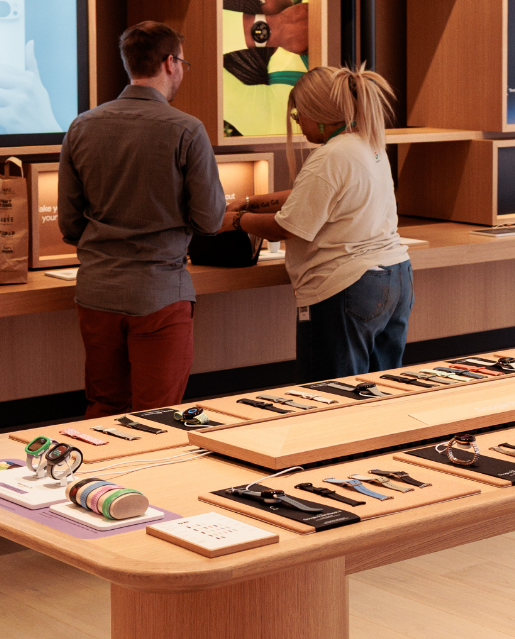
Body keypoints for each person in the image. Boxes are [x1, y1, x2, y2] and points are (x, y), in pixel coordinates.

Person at [58, 21, 225, 417]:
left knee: (104, 406)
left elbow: (69, 223)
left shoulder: (81, 126)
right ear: (170, 63)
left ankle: (98, 481)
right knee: (158, 414)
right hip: (159, 293)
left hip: (97, 292)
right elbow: (209, 220)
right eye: (183, 62)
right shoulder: (187, 129)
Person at [224, 64, 413, 381]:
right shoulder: (367, 143)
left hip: (347, 285)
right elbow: (311, 195)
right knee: (379, 393)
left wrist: (236, 221)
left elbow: (287, 227)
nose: (298, 124)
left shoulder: (329, 156)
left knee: (330, 397)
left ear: (319, 114)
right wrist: (251, 201)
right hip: (394, 277)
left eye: (298, 116)